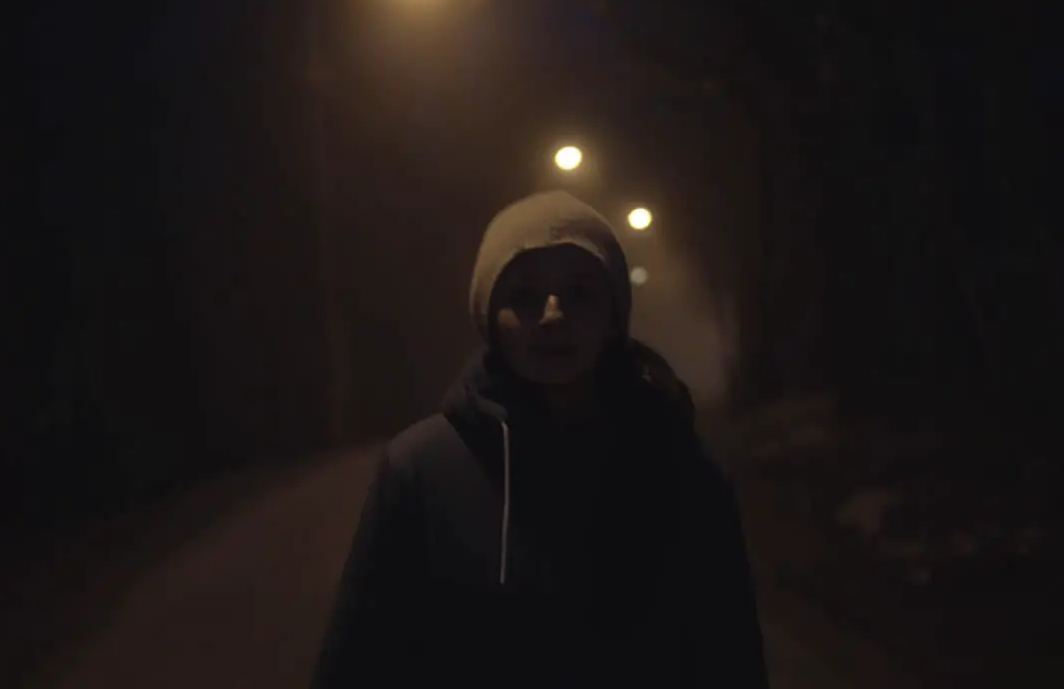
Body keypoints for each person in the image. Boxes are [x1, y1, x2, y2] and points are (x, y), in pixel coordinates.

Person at [312, 190, 768, 688]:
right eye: (524, 296)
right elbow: (358, 661)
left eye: (580, 294)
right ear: (489, 316)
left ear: (613, 316)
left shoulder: (681, 467)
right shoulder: (422, 470)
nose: (553, 316)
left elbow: (730, 658)